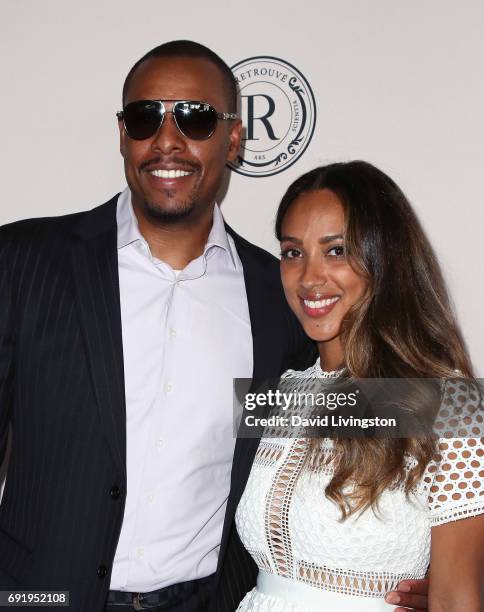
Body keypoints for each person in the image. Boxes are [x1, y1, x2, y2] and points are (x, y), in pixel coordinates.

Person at [0, 41, 429, 612]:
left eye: (197, 118)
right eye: (146, 117)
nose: (168, 139)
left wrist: (435, 584)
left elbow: (401, 418)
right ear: (123, 131)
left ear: (233, 138)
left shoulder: (283, 297)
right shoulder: (23, 261)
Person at [235, 161, 484, 611]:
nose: (310, 277)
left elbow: (456, 600)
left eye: (336, 251)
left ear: (384, 258)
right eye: (293, 252)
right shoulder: (279, 395)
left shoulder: (451, 405)